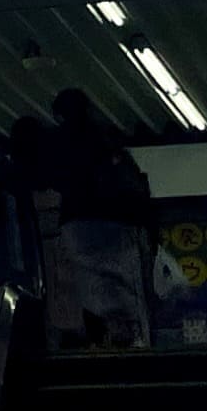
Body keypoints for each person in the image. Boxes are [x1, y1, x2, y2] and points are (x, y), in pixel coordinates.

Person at [38, 87, 156, 351]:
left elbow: (47, 177)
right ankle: (135, 340)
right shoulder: (106, 136)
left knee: (89, 288)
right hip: (119, 221)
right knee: (127, 287)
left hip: (77, 222)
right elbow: (131, 180)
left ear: (59, 114)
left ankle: (100, 340)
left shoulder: (56, 141)